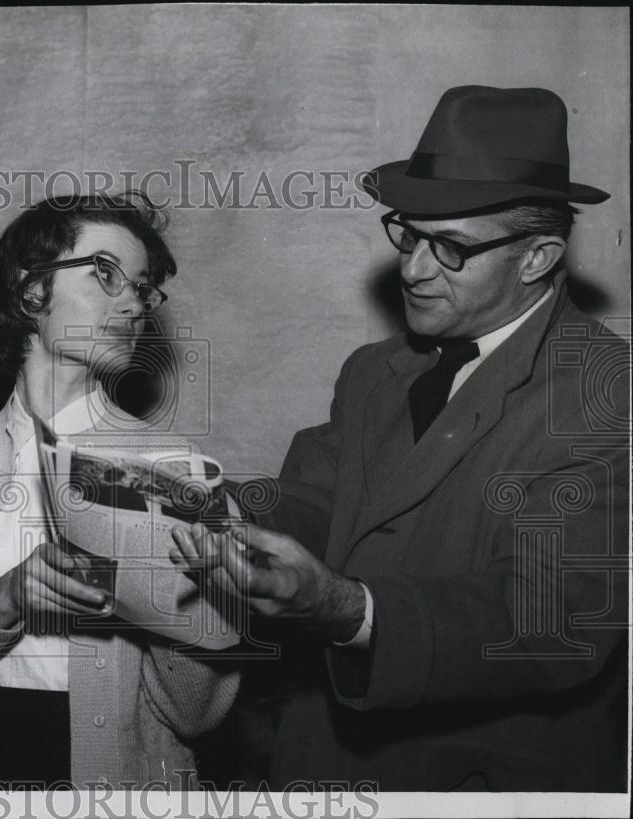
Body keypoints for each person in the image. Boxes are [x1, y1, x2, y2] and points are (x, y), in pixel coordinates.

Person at [171, 86, 629, 791]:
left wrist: (348, 607)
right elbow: (317, 504)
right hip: (323, 769)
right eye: (409, 234)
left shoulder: (605, 388)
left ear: (538, 257)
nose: (413, 269)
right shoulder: (374, 371)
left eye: (449, 247)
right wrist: (207, 506)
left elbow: (551, 622)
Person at [0, 192, 239, 790]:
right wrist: (1, 600)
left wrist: (193, 601)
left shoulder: (177, 469)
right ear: (32, 289)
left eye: (142, 287)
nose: (132, 301)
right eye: (106, 273)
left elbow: (197, 714)